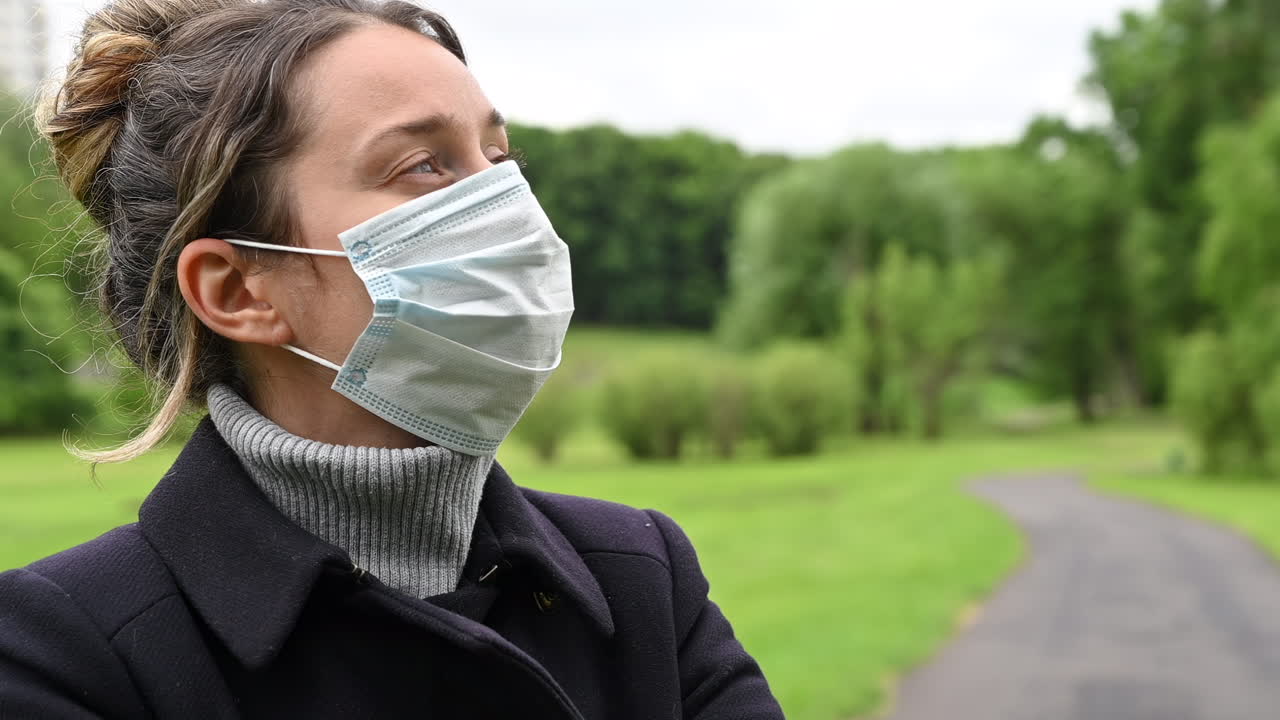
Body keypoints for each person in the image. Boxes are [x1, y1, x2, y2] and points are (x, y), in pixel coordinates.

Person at [0, 0, 785, 717]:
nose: (513, 211)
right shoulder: (59, 655)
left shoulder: (641, 577)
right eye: (425, 166)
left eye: (500, 160)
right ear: (238, 290)